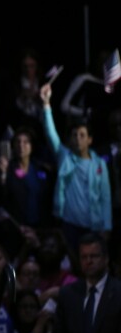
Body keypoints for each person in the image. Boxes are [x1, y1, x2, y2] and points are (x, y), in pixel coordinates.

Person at [40, 82, 111, 255]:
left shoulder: (99, 164)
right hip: (69, 224)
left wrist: (107, 227)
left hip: (93, 226)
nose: (77, 139)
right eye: (74, 135)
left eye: (82, 135)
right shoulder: (65, 157)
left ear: (90, 140)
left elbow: (105, 197)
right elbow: (51, 133)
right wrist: (46, 104)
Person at [52, 232, 121, 333]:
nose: (88, 261)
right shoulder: (67, 294)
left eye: (94, 256)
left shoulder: (119, 292)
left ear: (106, 259)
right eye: (84, 257)